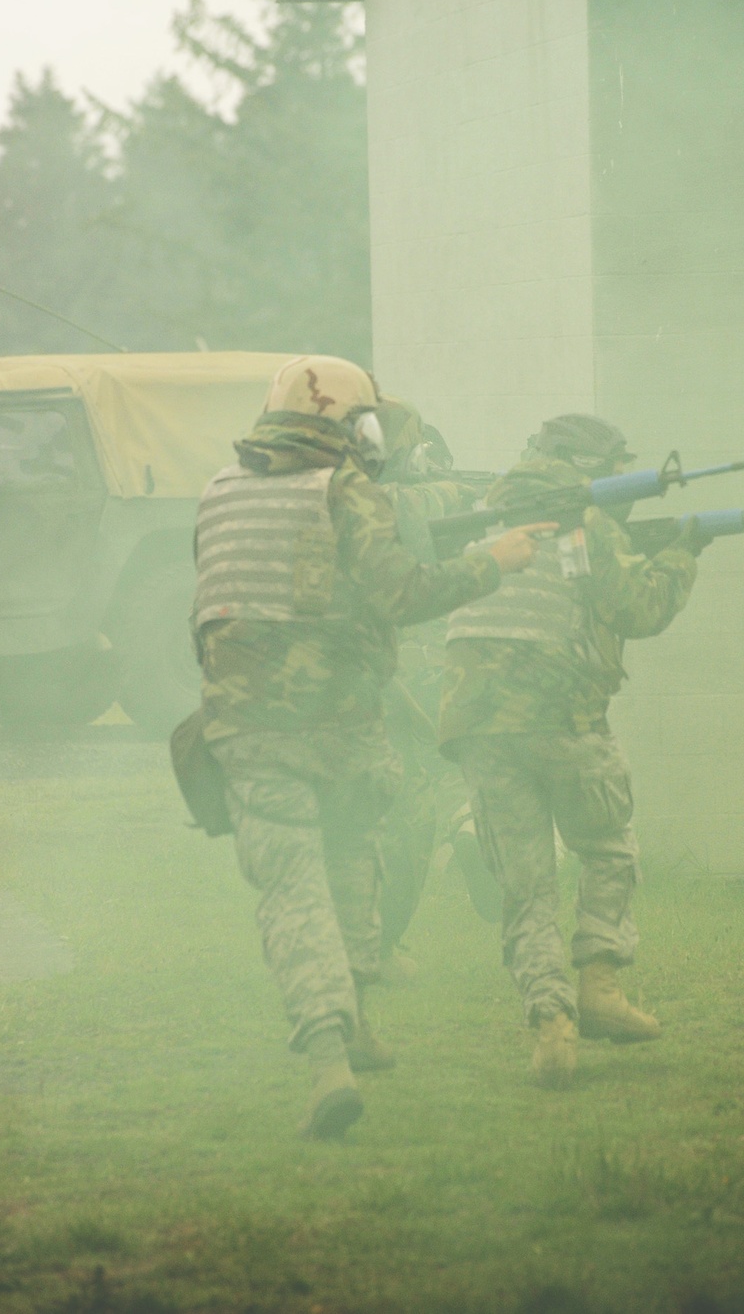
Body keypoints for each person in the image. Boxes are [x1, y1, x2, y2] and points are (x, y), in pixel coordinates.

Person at [193, 355, 549, 1139]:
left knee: (333, 874)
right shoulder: (345, 489)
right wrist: (496, 559)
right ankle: (329, 1062)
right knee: (331, 879)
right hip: (338, 730)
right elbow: (402, 594)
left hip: (250, 732)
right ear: (355, 428)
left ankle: (347, 1031)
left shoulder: (219, 492)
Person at [438, 413, 704, 1089]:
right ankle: (600, 989)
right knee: (608, 850)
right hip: (564, 720)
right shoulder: (584, 517)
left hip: (480, 729)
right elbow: (637, 611)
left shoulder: (481, 512)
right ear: (590, 466)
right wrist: (682, 553)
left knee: (525, 886)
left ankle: (551, 1028)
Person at [374, 398, 487, 973]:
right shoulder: (398, 498)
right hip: (408, 659)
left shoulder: (344, 489)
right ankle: (468, 823)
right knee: (421, 789)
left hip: (372, 667)